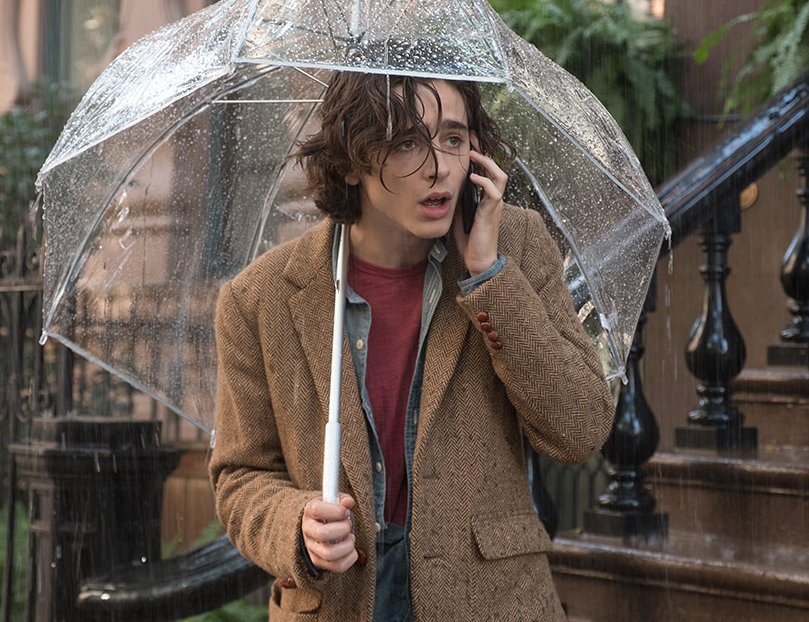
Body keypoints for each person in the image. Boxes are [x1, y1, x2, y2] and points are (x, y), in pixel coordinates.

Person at [208, 70, 614, 621]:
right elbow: (239, 477)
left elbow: (580, 428)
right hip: (339, 601)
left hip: (487, 599)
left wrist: (488, 276)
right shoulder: (258, 299)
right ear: (351, 162)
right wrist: (296, 523)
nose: (439, 167)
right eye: (406, 143)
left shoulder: (514, 244)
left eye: (453, 138)